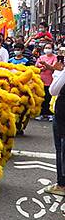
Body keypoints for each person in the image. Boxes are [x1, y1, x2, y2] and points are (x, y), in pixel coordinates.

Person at [48, 59, 65, 196]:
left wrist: (58, 72)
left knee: (61, 149)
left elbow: (53, 90)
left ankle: (62, 184)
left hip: (62, 115)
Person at [36, 42, 58, 120]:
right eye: (46, 47)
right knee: (42, 97)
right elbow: (36, 67)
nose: (47, 49)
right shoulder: (41, 57)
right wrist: (41, 68)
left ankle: (49, 114)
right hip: (41, 79)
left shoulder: (55, 57)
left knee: (49, 97)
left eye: (49, 48)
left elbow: (53, 68)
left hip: (50, 80)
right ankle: (41, 113)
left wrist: (46, 65)